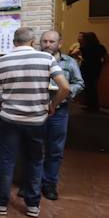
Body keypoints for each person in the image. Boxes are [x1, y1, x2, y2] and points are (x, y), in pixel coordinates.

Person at [0, 27, 69, 218]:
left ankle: (0, 203)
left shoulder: (0, 61)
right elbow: (64, 87)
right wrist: (52, 105)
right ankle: (32, 205)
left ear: (14, 42)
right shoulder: (47, 59)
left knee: (7, 160)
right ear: (32, 42)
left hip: (9, 120)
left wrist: (2, 110)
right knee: (35, 161)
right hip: (37, 121)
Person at [39, 30, 84, 201]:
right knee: (35, 147)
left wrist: (63, 92)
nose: (48, 44)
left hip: (59, 111)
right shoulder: (36, 61)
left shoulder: (70, 62)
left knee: (55, 149)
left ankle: (49, 183)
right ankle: (33, 182)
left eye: (51, 41)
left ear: (60, 43)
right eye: (44, 41)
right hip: (37, 109)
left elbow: (79, 83)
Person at [76, 31, 106, 112]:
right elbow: (105, 58)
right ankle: (94, 106)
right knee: (93, 87)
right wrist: (101, 65)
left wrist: (81, 59)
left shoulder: (85, 47)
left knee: (88, 87)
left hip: (86, 68)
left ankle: (90, 106)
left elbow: (76, 55)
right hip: (96, 69)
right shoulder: (100, 47)